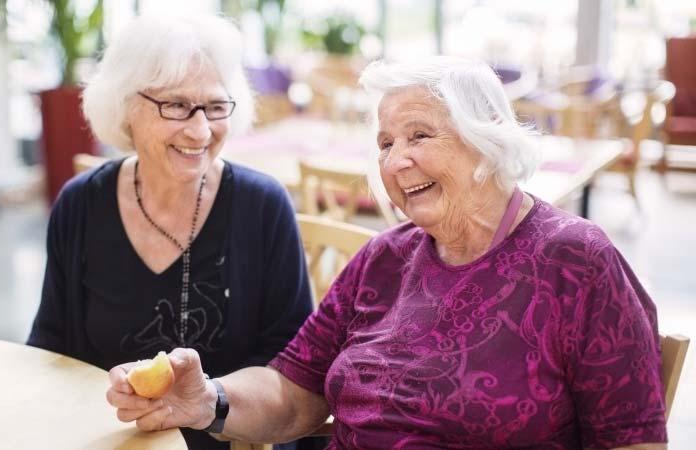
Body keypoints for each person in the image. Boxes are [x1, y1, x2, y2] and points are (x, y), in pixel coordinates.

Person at [104, 56, 669, 450]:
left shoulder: (576, 261)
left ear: (487, 138)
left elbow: (632, 441)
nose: (396, 161)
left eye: (419, 136)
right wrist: (208, 401)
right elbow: (292, 389)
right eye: (385, 143)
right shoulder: (385, 260)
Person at [27, 13, 313, 450]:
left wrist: (211, 401)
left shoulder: (263, 207)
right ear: (126, 106)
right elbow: (50, 348)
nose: (200, 131)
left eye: (216, 107)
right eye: (176, 106)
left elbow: (291, 373)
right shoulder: (81, 204)